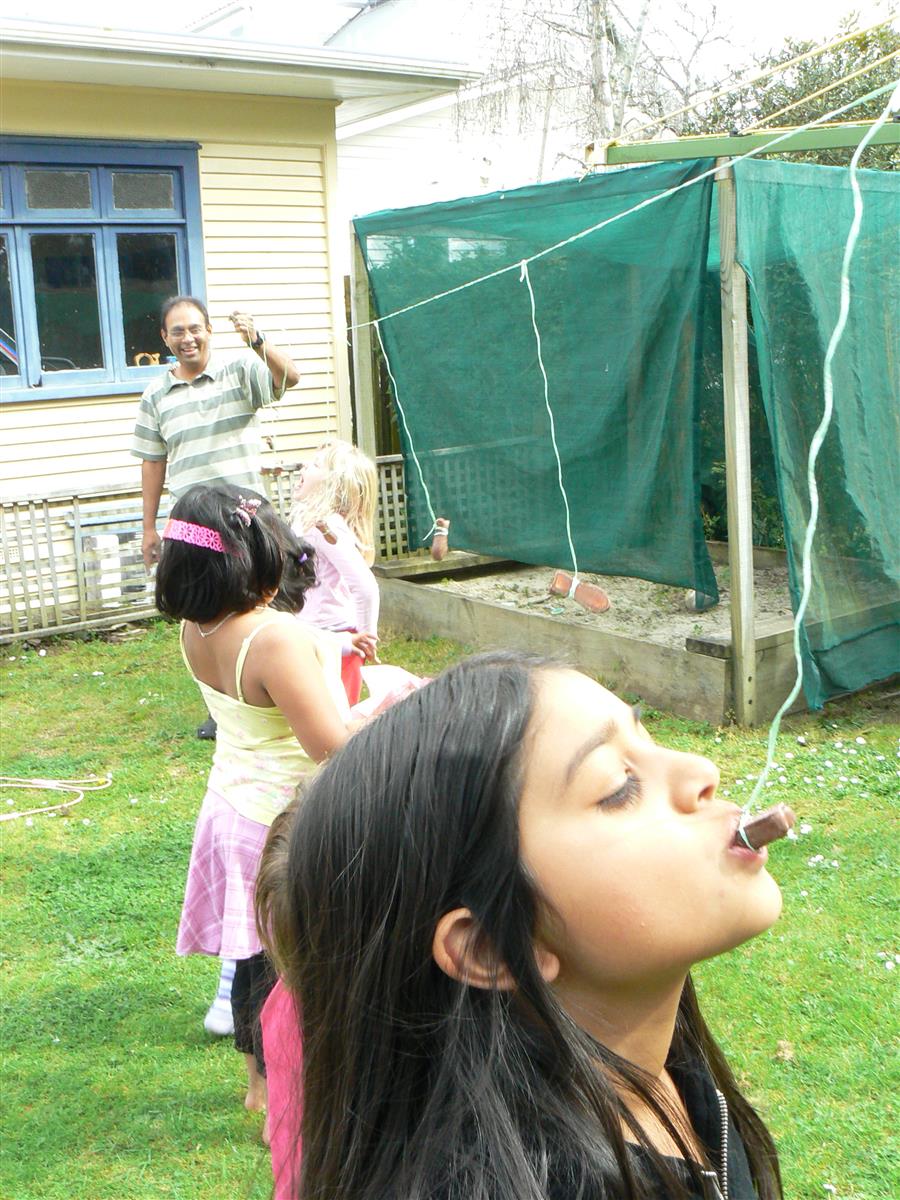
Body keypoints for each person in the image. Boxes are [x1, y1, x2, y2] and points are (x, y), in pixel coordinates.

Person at [264, 653, 785, 1200]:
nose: (702, 770)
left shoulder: (668, 1072)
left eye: (648, 737)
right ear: (490, 948)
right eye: (618, 787)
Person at [155, 483, 351, 1138]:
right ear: (249, 561)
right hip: (283, 823)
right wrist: (390, 711)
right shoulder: (272, 638)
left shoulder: (197, 627)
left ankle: (258, 1087)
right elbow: (331, 745)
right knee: (302, 967)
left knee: (254, 958)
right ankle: (299, 1094)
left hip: (232, 809)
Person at [290, 439, 380, 705]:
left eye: (316, 465)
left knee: (337, 714)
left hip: (338, 640)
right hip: (312, 635)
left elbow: (365, 587)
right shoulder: (307, 521)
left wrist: (365, 638)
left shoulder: (326, 526)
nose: (304, 467)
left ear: (335, 484)